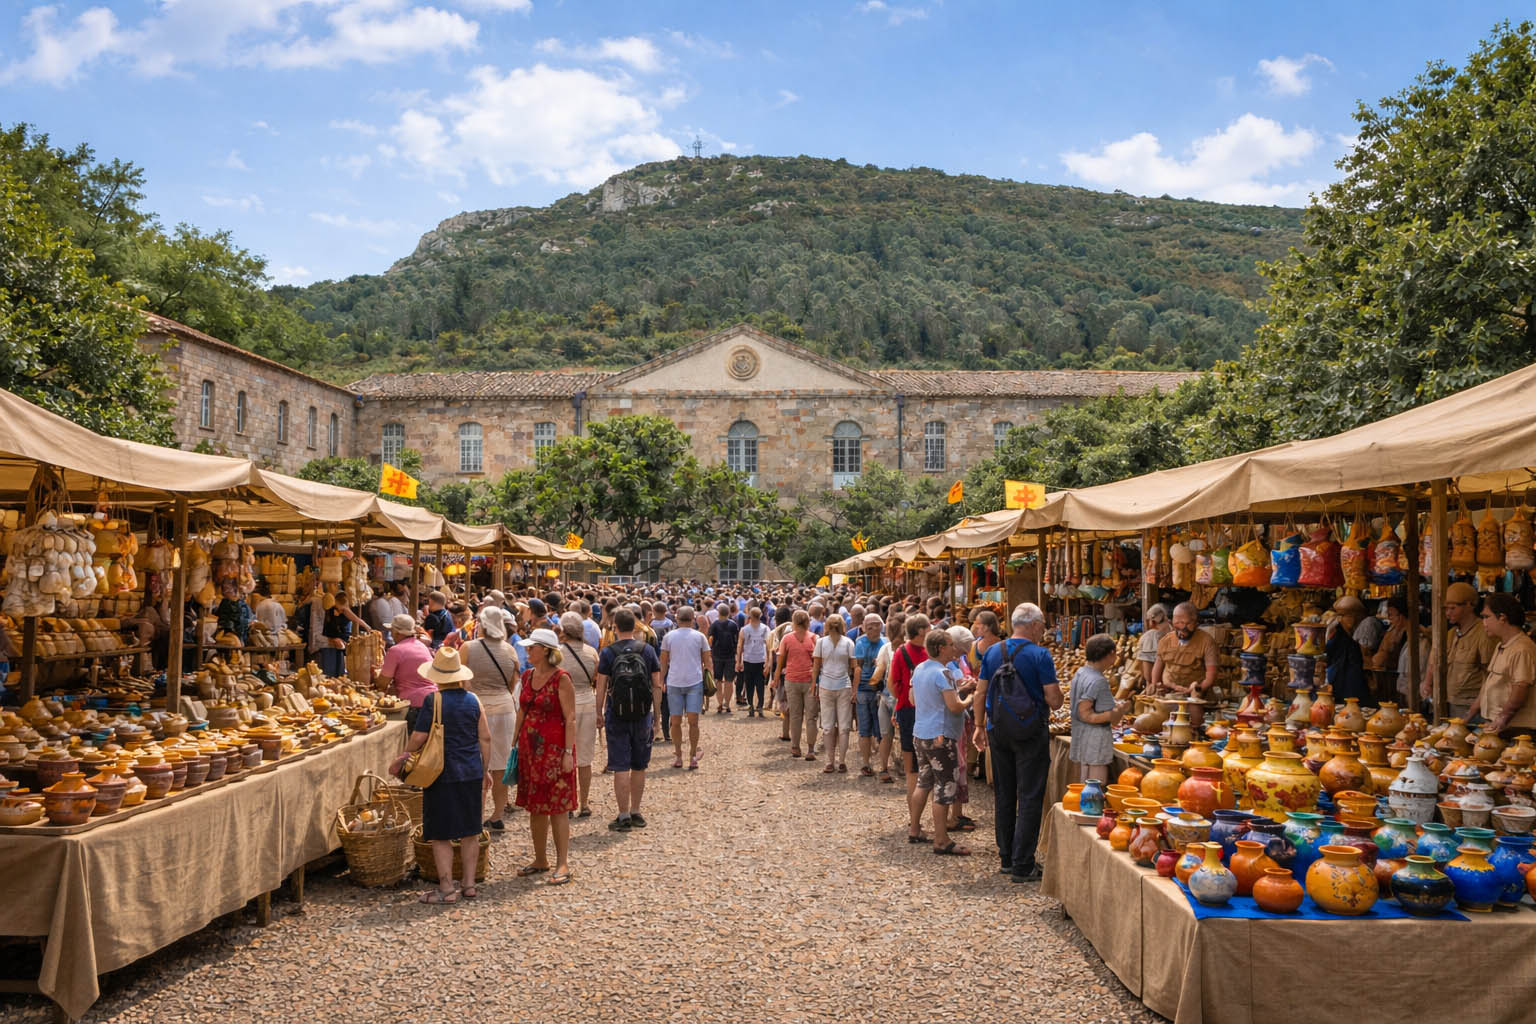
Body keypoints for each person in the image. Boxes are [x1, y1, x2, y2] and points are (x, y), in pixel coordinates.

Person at [389, 646, 489, 904]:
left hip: (440, 773)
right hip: (470, 770)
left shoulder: (434, 701)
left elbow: (420, 736)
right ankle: (468, 883)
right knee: (470, 830)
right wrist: (485, 770)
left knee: (441, 832)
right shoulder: (474, 700)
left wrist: (404, 755)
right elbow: (485, 738)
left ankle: (446, 887)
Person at [975, 602, 1063, 883]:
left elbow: (980, 693)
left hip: (998, 730)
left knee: (1004, 793)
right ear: (1035, 625)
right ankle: (1023, 863)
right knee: (1029, 795)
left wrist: (978, 726)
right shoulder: (1040, 655)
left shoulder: (991, 651)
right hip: (1031, 732)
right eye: (1042, 626)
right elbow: (1053, 698)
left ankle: (1006, 857)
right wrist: (1059, 698)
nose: (1042, 631)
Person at [513, 629, 577, 886]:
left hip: (554, 749)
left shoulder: (561, 678)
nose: (527, 651)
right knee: (535, 805)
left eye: (532, 648)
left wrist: (568, 753)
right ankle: (541, 858)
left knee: (558, 807)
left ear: (547, 651)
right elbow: (521, 710)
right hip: (531, 749)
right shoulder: (528, 676)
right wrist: (514, 740)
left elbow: (570, 717)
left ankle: (563, 862)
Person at [596, 608, 663, 831]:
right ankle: (636, 811)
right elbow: (656, 685)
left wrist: (599, 712)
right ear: (635, 627)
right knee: (639, 765)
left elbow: (601, 686)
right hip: (642, 713)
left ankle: (623, 814)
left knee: (620, 766)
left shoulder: (608, 653)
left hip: (617, 713)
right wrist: (657, 717)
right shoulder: (647, 651)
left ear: (615, 627)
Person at [909, 629, 973, 855]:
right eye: (950, 645)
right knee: (945, 786)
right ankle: (941, 839)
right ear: (940, 648)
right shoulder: (943, 673)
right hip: (941, 736)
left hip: (921, 733)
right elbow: (954, 706)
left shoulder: (920, 668)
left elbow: (913, 698)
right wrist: (969, 698)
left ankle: (915, 829)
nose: (954, 649)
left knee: (924, 781)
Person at [459, 606, 521, 831]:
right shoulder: (509, 650)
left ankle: (474, 811)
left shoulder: (468, 648)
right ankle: (497, 814)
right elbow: (514, 682)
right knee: (500, 765)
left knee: (473, 761)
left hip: (475, 707)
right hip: (505, 709)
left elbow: (459, 678)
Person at [1425, 581, 1498, 719]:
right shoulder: (1451, 633)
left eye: (1452, 608)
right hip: (1451, 703)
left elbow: (1490, 674)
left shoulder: (1484, 633)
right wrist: (1428, 683)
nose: (1447, 613)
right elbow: (1434, 660)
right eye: (1446, 609)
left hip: (1473, 707)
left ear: (1469, 605)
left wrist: (1476, 706)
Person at [1471, 593, 1536, 737]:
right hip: (1499, 726)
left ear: (1502, 617)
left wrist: (1502, 719)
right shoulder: (1501, 645)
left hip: (1515, 731)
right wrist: (1468, 716)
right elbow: (1489, 684)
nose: (1484, 623)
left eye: (1486, 617)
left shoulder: (1522, 648)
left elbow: (1520, 689)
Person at [1070, 634, 1131, 783]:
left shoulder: (1081, 672)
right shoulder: (1098, 680)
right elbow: (1085, 713)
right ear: (1111, 654)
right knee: (1094, 789)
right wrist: (1119, 711)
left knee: (1085, 786)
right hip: (1096, 742)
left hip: (1081, 737)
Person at [659, 606, 711, 770]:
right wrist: (709, 681)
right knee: (693, 722)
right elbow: (707, 662)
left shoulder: (669, 637)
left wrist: (661, 680)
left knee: (675, 722)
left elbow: (663, 661)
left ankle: (678, 755)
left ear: (677, 618)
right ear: (693, 619)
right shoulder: (700, 637)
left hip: (674, 681)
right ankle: (692, 756)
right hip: (694, 681)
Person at [1149, 602, 1218, 725]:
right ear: (1172, 622)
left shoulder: (1207, 641)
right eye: (1177, 623)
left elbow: (1211, 675)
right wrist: (1157, 685)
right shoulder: (1165, 641)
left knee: (1194, 717)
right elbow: (1157, 668)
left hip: (1195, 694)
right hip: (1170, 693)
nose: (1182, 627)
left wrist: (1198, 688)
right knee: (1152, 719)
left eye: (1187, 623)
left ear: (1196, 622)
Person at [558, 611, 599, 818]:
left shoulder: (556, 653)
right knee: (585, 757)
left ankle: (568, 801)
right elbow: (595, 677)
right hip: (587, 702)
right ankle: (584, 802)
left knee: (565, 753)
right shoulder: (591, 652)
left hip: (564, 705)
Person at [888, 614, 932, 801]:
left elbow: (892, 683)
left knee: (911, 765)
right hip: (927, 710)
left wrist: (902, 699)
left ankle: (913, 813)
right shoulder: (929, 652)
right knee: (930, 762)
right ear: (921, 631)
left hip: (906, 709)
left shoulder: (901, 652)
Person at [812, 614, 858, 773]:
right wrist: (855, 688)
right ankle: (842, 760)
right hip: (844, 685)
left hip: (826, 685)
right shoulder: (848, 643)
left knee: (828, 726)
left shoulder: (820, 642)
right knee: (844, 726)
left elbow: (816, 666)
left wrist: (814, 684)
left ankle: (829, 761)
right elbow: (854, 667)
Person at [376, 614, 436, 730]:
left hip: (413, 704)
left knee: (410, 742)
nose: (391, 634)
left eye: (392, 631)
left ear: (398, 633)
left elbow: (382, 683)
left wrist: (375, 676)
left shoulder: (395, 650)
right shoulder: (421, 646)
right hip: (432, 699)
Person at [775, 610, 819, 761]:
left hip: (792, 679)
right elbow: (818, 662)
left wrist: (775, 680)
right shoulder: (814, 638)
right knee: (811, 717)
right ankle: (811, 749)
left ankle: (795, 747)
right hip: (809, 681)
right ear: (808, 622)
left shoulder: (786, 639)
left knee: (795, 715)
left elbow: (780, 662)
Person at [852, 613, 890, 776]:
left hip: (881, 691)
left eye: (876, 625)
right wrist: (854, 690)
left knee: (882, 730)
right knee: (865, 729)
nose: (873, 628)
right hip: (863, 690)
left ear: (882, 626)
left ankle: (883, 765)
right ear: (864, 628)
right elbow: (857, 668)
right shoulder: (860, 642)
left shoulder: (886, 642)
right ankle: (866, 764)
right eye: (869, 626)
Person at [1327, 596, 1371, 704]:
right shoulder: (1336, 632)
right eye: (1340, 615)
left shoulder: (1353, 635)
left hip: (1353, 679)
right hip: (1341, 678)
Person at [319, 590, 369, 678]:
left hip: (342, 638)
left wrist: (368, 627)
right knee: (329, 666)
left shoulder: (346, 611)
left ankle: (339, 675)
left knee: (340, 663)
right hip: (329, 638)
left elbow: (357, 620)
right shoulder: (330, 608)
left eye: (342, 609)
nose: (340, 611)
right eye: (338, 608)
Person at [736, 605, 771, 717]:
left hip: (748, 659)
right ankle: (760, 706)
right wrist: (768, 661)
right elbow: (768, 647)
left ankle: (751, 706)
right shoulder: (765, 628)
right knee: (760, 684)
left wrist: (738, 661)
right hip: (760, 659)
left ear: (750, 616)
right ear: (760, 616)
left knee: (749, 684)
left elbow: (740, 646)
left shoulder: (744, 629)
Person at [709, 603, 740, 713]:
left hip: (717, 655)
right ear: (728, 613)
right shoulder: (733, 624)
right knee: (729, 681)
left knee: (718, 680)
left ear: (719, 613)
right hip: (730, 655)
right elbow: (737, 640)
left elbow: (710, 640)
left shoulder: (714, 625)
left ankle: (719, 703)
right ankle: (727, 704)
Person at [1134, 604, 1170, 689]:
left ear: (1151, 622)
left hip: (1158, 687)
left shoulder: (1150, 636)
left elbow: (1148, 674)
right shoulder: (1174, 632)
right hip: (1173, 685)